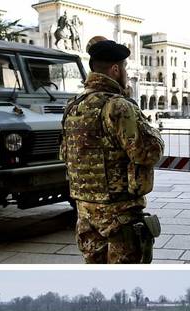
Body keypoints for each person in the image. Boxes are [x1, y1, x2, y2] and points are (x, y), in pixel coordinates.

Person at [62, 37, 164, 264]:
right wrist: (153, 132)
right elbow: (148, 152)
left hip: (85, 212)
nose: (127, 73)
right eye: (125, 67)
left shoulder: (73, 106)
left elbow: (65, 155)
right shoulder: (118, 106)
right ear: (116, 69)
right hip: (119, 213)